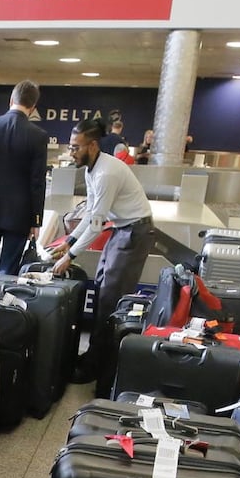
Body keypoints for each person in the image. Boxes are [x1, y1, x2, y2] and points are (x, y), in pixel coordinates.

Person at [51, 118, 154, 376]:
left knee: (111, 298)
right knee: (101, 288)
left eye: (76, 147)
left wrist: (71, 256)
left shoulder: (106, 173)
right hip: (122, 229)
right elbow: (90, 214)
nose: (71, 152)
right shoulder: (91, 170)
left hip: (134, 232)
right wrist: (69, 241)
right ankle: (96, 355)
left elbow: (97, 224)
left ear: (93, 145)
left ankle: (99, 365)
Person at [0, 80, 51, 277]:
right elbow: (37, 181)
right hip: (19, 213)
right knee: (8, 271)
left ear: (11, 100)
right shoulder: (38, 136)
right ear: (33, 108)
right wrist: (36, 219)